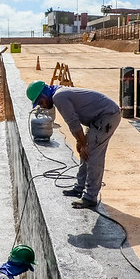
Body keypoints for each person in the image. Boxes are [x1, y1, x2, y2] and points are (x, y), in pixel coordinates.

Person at [26, 81, 121, 209]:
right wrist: (81, 143)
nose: (41, 106)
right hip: (98, 118)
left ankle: (90, 197)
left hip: (107, 116)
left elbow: (73, 123)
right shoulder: (59, 93)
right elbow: (75, 123)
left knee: (92, 154)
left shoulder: (59, 97)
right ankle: (80, 188)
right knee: (85, 152)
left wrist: (82, 143)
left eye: (41, 102)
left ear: (45, 94)